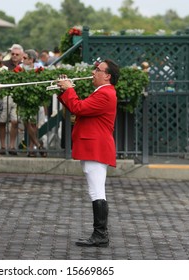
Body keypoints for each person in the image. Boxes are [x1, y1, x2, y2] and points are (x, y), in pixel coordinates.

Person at [57, 59, 120, 247]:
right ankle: (100, 234)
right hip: (94, 146)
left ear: (107, 76)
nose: (93, 72)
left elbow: (79, 108)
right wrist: (65, 91)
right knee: (95, 190)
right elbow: (81, 109)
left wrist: (69, 90)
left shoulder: (106, 93)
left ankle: (101, 234)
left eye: (97, 70)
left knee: (97, 191)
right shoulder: (102, 92)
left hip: (96, 147)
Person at [20, 49, 47, 157]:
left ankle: (31, 149)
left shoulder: (38, 68)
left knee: (34, 124)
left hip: (35, 98)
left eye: (25, 58)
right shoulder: (20, 68)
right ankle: (38, 144)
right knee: (26, 122)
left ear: (31, 60)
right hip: (24, 98)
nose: (23, 60)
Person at [0, 44, 23, 155]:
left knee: (15, 121)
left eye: (16, 54)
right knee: (2, 121)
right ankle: (3, 146)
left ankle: (12, 146)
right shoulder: (4, 65)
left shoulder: (24, 66)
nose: (14, 56)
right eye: (12, 54)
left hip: (17, 96)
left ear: (21, 55)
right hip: (5, 95)